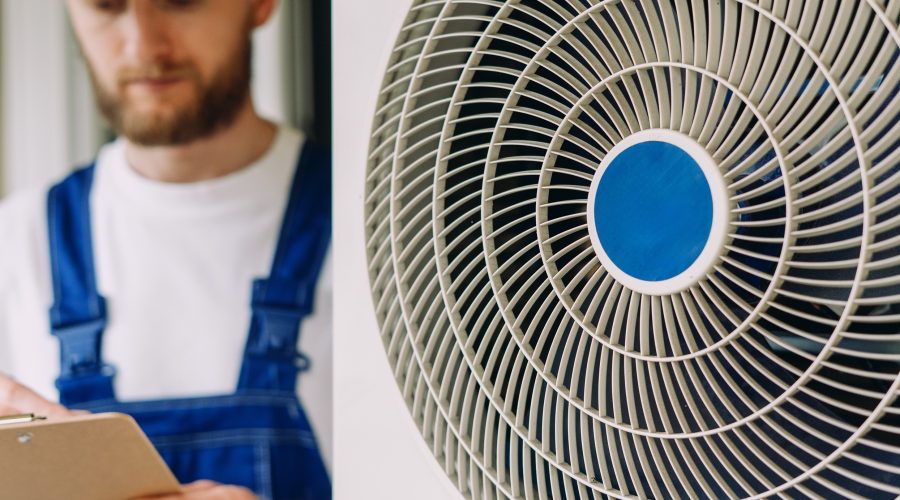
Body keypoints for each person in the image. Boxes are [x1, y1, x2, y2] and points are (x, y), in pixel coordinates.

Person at [0, 0, 332, 498]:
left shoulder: (385, 234)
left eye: (180, 0)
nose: (143, 45)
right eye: (106, 5)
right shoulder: (15, 242)